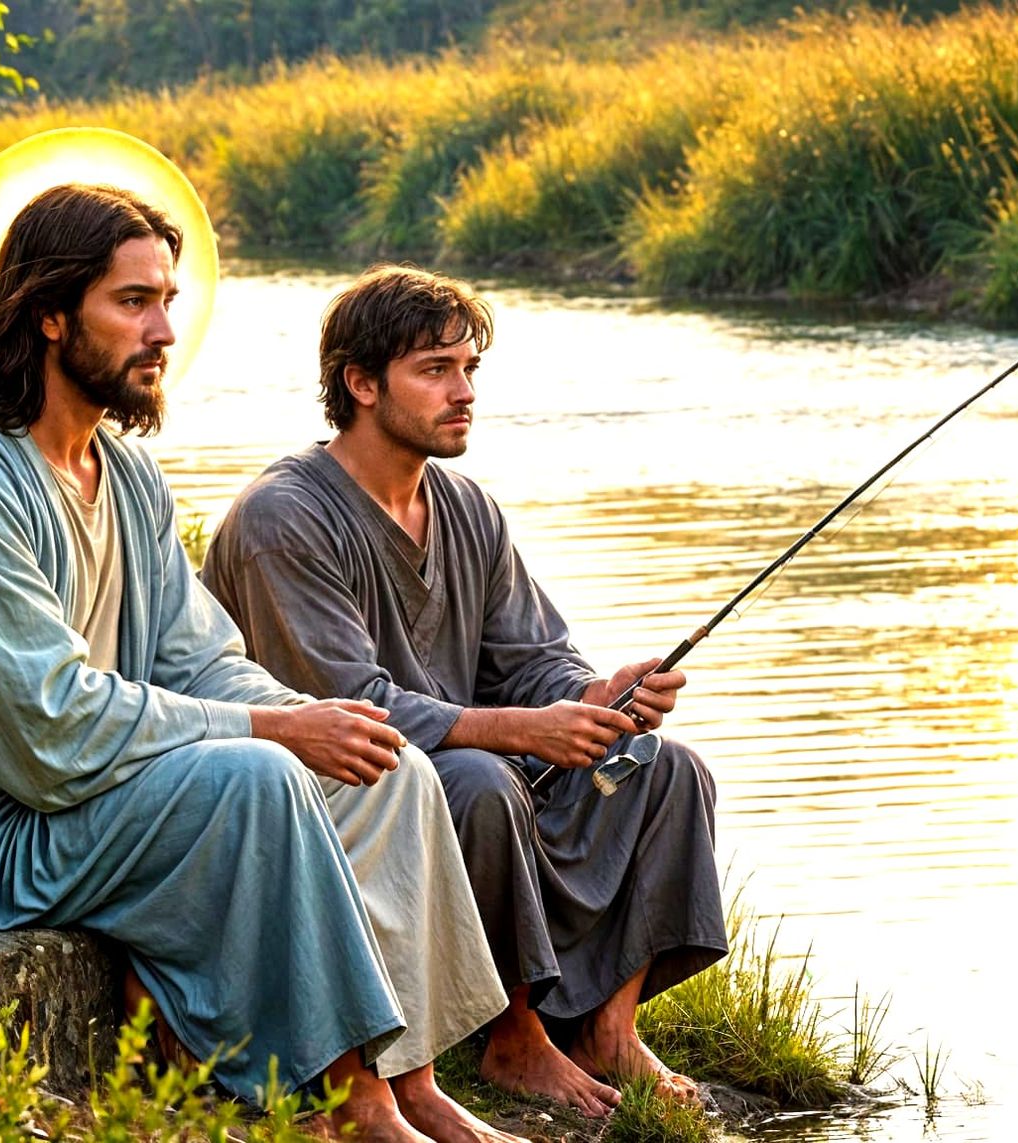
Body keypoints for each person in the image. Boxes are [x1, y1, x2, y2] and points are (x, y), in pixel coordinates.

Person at [0, 189, 512, 1143]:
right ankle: (353, 1107)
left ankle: (412, 1083)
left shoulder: (120, 474)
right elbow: (41, 729)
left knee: (387, 767)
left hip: (71, 798)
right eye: (132, 303)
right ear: (50, 314)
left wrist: (311, 720)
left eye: (168, 300)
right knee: (256, 777)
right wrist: (271, 732)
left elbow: (201, 659)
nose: (164, 330)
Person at [202, 265, 729, 1115]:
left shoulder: (468, 508)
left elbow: (533, 658)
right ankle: (512, 1038)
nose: (464, 392)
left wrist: (600, 695)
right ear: (361, 383)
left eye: (469, 369)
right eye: (435, 369)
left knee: (663, 766)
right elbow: (348, 710)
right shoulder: (281, 519)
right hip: (346, 804)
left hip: (465, 774)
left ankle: (608, 1029)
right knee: (480, 785)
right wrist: (526, 729)